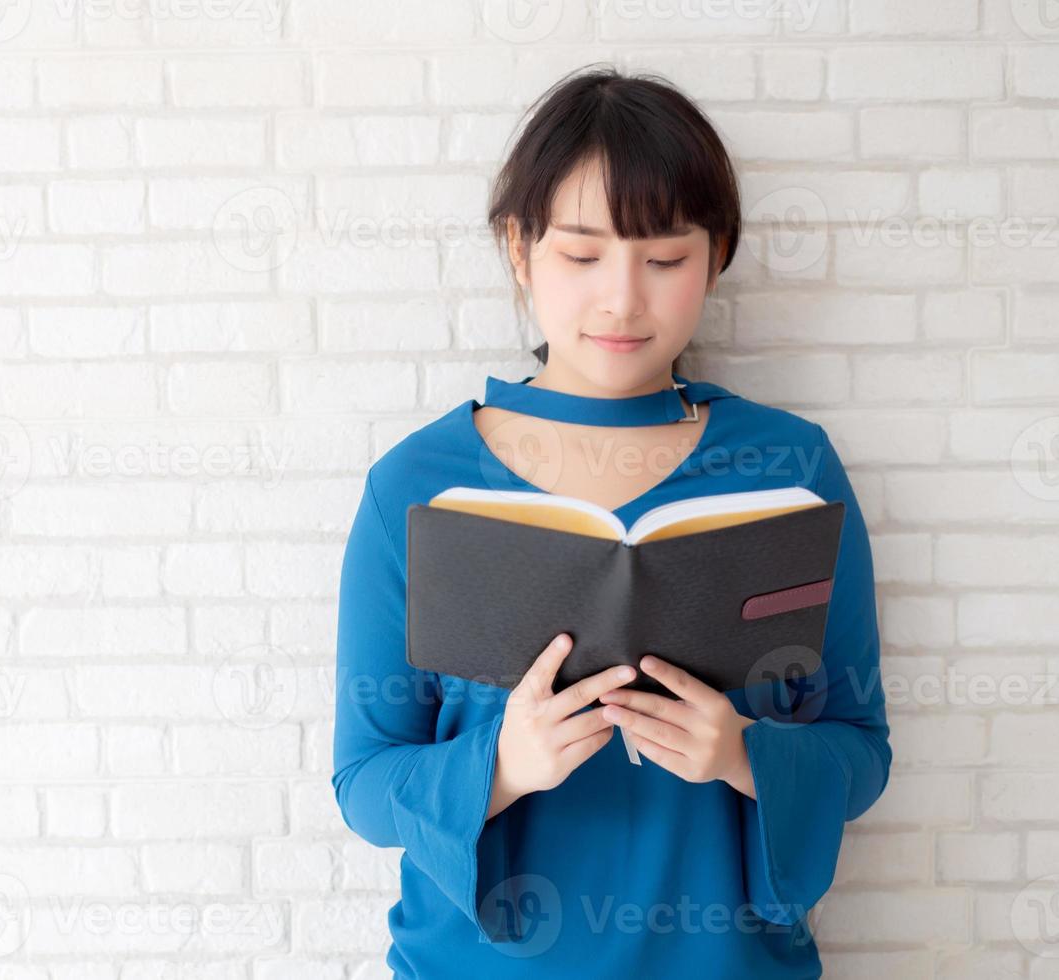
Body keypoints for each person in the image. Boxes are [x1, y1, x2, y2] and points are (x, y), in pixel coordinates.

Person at [331, 65, 892, 978]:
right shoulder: (416, 487)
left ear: (716, 257)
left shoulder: (791, 469)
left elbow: (859, 751)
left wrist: (745, 755)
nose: (623, 300)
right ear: (520, 250)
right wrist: (504, 765)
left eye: (666, 258)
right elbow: (364, 784)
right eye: (582, 255)